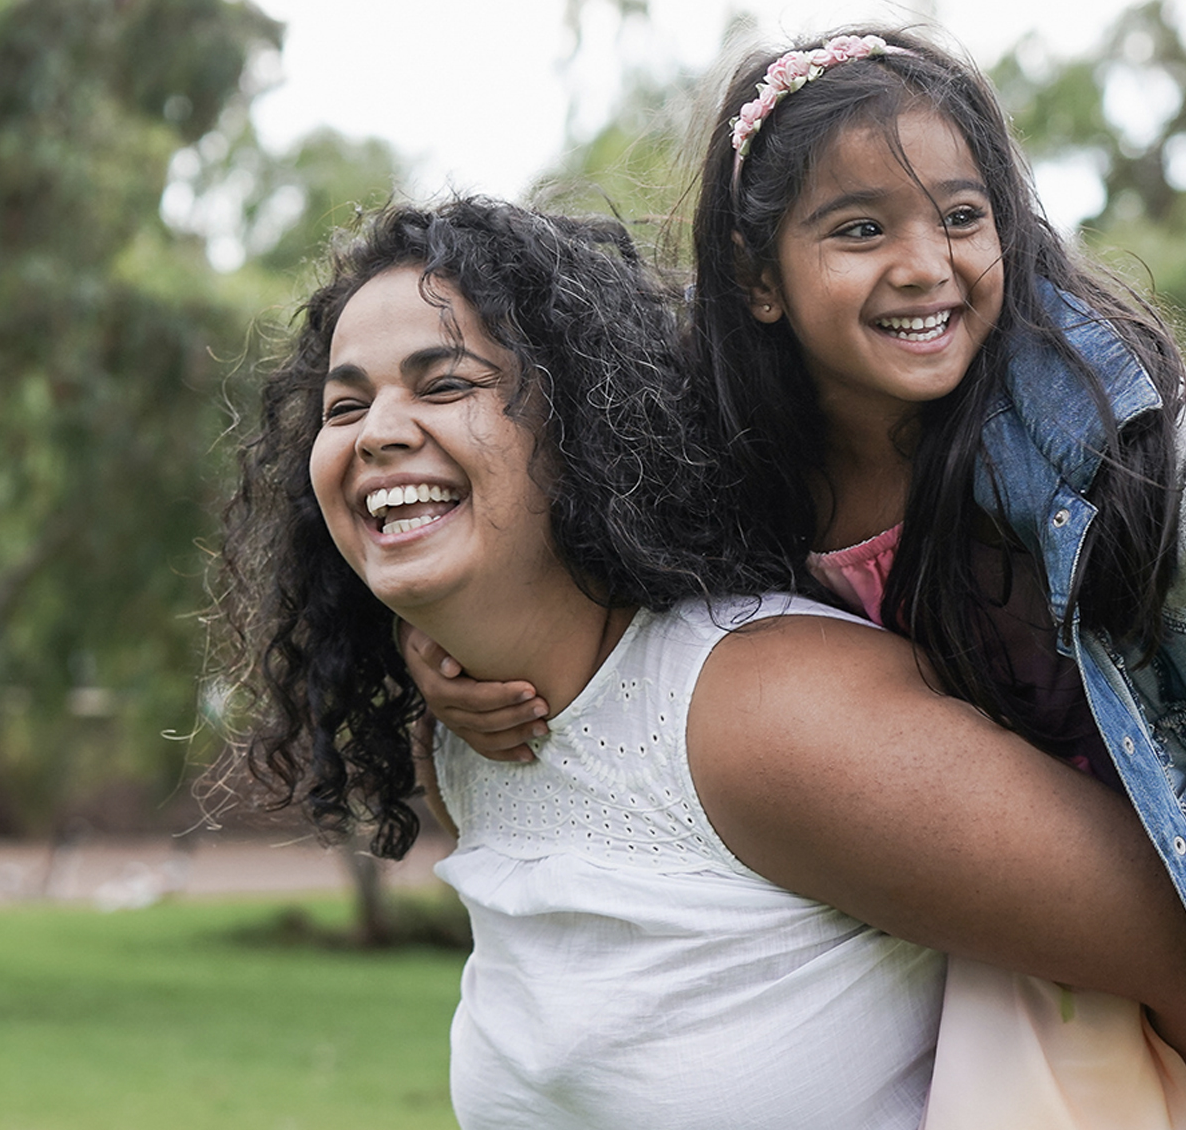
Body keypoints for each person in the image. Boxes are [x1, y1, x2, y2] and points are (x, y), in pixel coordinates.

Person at [219, 196, 1186, 1130]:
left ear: (583, 426)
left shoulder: (766, 718)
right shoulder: (471, 739)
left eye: (446, 385)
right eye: (345, 406)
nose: (377, 431)